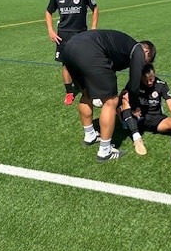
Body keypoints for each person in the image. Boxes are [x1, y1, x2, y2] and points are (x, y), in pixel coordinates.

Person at [62, 30, 156, 161]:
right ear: (146, 51)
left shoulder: (124, 46)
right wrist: (134, 106)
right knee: (111, 101)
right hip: (90, 51)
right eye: (145, 62)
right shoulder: (138, 50)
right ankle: (105, 151)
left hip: (69, 49)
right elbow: (134, 83)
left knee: (86, 94)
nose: (142, 65)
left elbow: (110, 65)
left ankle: (90, 135)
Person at [119, 64, 171, 161]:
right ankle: (137, 138)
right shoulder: (134, 84)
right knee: (125, 100)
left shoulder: (161, 84)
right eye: (146, 80)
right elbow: (120, 100)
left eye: (151, 79)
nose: (149, 82)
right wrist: (124, 96)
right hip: (138, 118)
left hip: (156, 119)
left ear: (154, 74)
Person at [45, 0, 99, 105]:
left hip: (81, 34)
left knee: (84, 63)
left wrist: (93, 28)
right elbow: (48, 12)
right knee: (66, 65)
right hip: (63, 35)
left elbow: (95, 9)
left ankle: (89, 89)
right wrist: (51, 30)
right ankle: (69, 92)